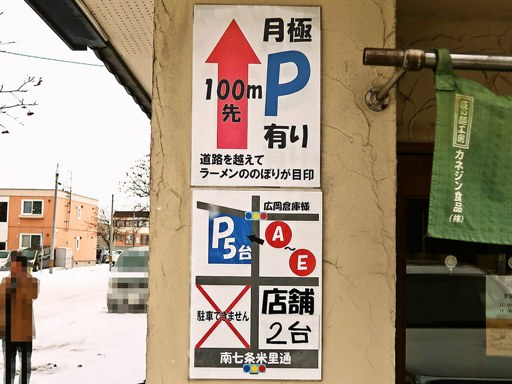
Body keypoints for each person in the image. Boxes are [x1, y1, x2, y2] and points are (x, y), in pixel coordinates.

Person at [0, 252, 39, 384]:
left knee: (25, 367)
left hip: (24, 332)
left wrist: (24, 277)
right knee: (9, 368)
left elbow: (33, 294)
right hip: (8, 332)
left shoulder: (31, 282)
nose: (12, 269)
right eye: (12, 267)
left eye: (16, 267)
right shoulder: (5, 282)